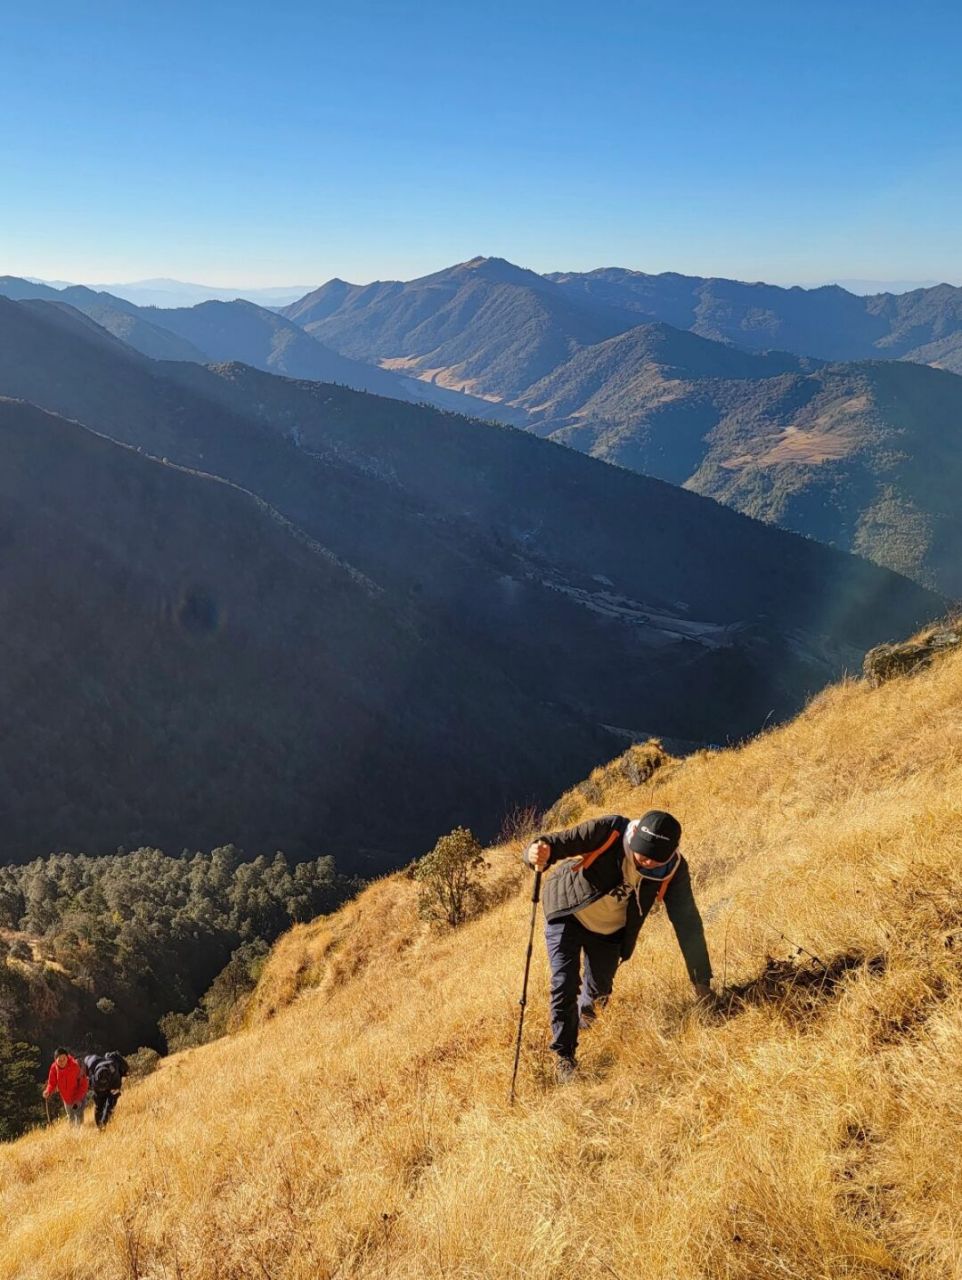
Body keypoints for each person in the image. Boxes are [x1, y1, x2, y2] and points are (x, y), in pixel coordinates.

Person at [523, 809, 713, 1080]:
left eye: (654, 857)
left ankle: (582, 1023)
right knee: (564, 981)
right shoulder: (610, 831)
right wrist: (535, 853)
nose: (645, 861)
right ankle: (564, 1058)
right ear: (634, 835)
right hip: (569, 911)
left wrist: (701, 982)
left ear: (671, 853)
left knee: (599, 995)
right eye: (641, 852)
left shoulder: (673, 871)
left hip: (610, 930)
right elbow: (556, 843)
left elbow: (688, 925)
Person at [82, 1050, 129, 1129]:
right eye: (101, 1087)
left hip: (113, 1084)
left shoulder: (115, 1076)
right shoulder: (91, 1064)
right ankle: (101, 1128)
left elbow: (110, 1106)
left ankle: (103, 1126)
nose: (103, 1089)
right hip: (99, 1084)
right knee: (99, 1106)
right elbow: (86, 1060)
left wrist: (103, 1122)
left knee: (109, 1105)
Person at [43, 1046, 89, 1126]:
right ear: (55, 1060)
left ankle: (80, 1135)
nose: (62, 1062)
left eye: (64, 1059)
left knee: (78, 1115)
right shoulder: (54, 1068)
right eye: (59, 1060)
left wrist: (78, 1099)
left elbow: (83, 1084)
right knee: (70, 1116)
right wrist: (48, 1091)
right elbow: (52, 1083)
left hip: (77, 1097)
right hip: (66, 1098)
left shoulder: (75, 1066)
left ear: (67, 1057)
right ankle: (71, 1135)